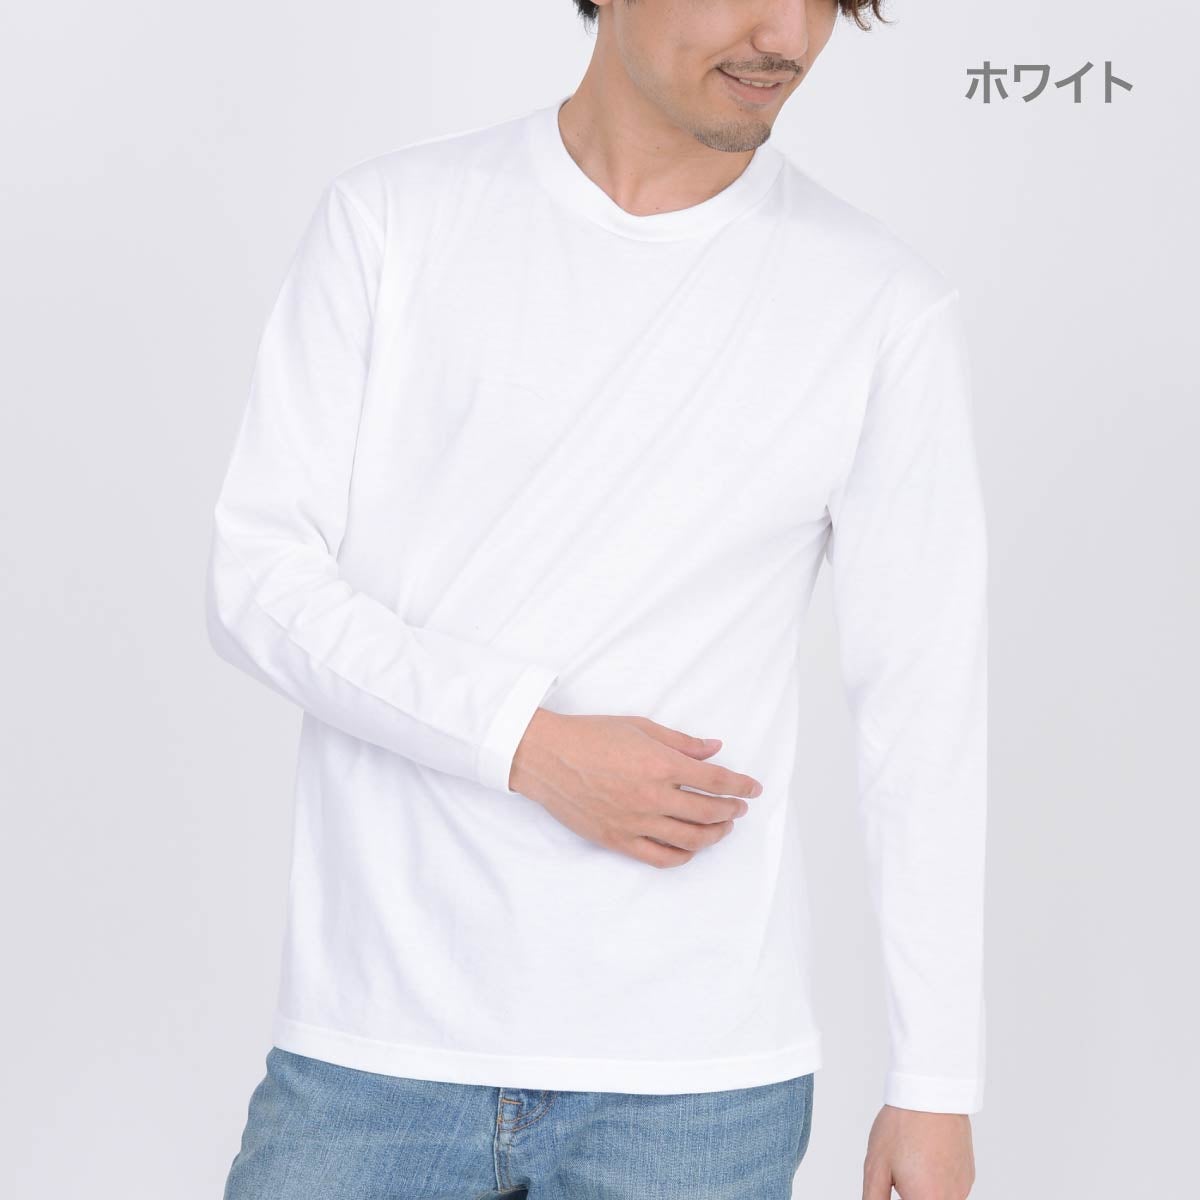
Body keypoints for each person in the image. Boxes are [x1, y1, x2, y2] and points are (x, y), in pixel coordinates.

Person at [208, 0, 988, 1196]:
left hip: (697, 1087)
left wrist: (935, 1081)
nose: (785, 36)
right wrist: (528, 744)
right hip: (376, 1050)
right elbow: (258, 581)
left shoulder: (880, 305)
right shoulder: (395, 222)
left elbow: (923, 710)